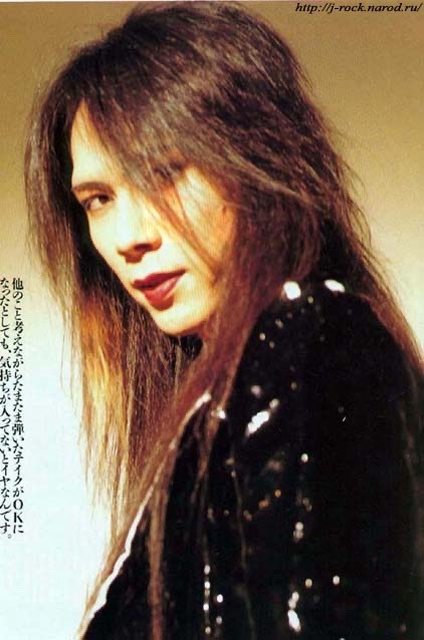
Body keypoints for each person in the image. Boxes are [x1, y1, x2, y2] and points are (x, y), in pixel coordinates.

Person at [25, 2, 423, 638]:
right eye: (98, 199)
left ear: (258, 160)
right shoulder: (222, 390)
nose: (127, 237)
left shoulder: (310, 343)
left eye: (164, 174)